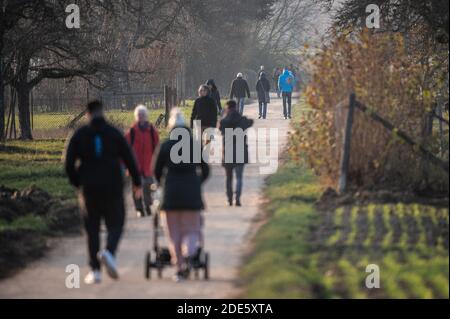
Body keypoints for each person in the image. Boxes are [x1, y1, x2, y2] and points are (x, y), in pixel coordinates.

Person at [65, 100, 142, 285]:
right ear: (102, 112)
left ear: (88, 114)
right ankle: (108, 252)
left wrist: (78, 184)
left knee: (92, 229)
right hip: (112, 186)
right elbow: (130, 159)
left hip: (89, 188)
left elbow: (68, 164)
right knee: (116, 223)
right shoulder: (114, 133)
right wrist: (137, 183)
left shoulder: (79, 134)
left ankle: (95, 271)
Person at [153, 108, 210, 282]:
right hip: (191, 197)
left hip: (170, 195)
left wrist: (162, 184)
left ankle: (179, 268)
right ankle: (189, 256)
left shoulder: (165, 145)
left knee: (174, 233)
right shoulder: (194, 144)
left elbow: (156, 170)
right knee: (192, 230)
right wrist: (197, 183)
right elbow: (205, 170)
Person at [125, 105, 160, 218]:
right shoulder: (132, 132)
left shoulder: (152, 131)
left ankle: (148, 205)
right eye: (139, 115)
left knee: (149, 186)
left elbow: (157, 148)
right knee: (137, 187)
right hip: (135, 165)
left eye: (143, 115)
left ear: (146, 116)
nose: (141, 117)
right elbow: (124, 148)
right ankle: (139, 208)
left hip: (149, 164)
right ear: (136, 117)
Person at [219, 100, 254, 207]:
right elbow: (251, 122)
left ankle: (229, 199)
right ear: (236, 107)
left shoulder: (224, 121)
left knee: (228, 177)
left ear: (227, 108)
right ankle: (237, 199)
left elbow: (220, 128)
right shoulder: (241, 119)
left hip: (228, 150)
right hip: (240, 150)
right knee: (239, 177)